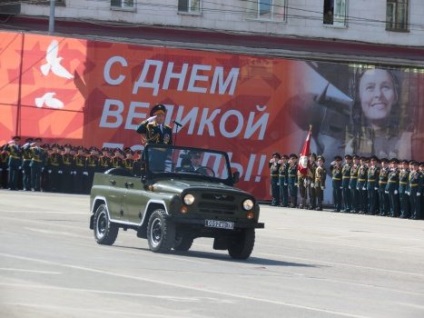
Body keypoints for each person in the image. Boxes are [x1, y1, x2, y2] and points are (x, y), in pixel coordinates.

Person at [346, 68, 411, 159]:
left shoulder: (408, 141)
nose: (378, 94)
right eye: (370, 88)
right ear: (359, 97)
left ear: (395, 96)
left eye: (385, 87)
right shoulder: (352, 145)